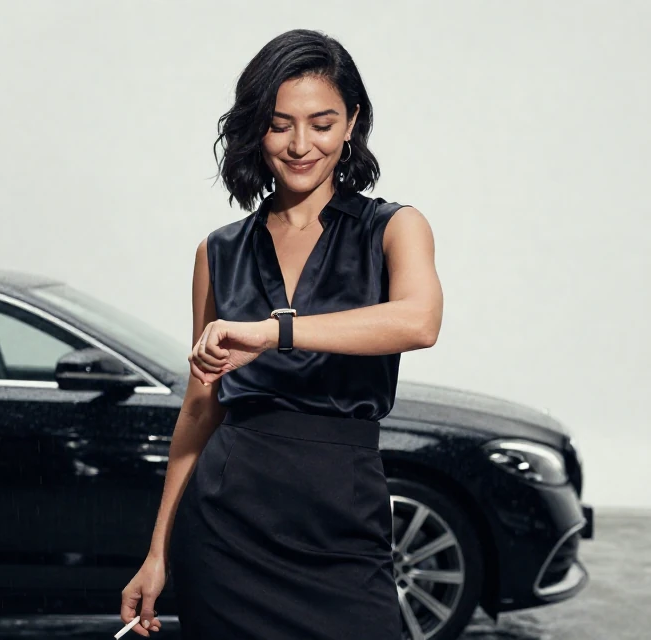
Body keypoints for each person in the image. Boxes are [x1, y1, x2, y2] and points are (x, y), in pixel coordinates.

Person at [119, 28, 443, 639]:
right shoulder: (218, 251)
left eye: (321, 123)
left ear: (352, 125)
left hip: (342, 523)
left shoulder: (396, 228)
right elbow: (198, 407)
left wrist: (275, 333)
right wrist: (158, 551)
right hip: (225, 531)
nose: (300, 145)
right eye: (279, 124)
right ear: (255, 130)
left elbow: (418, 322)